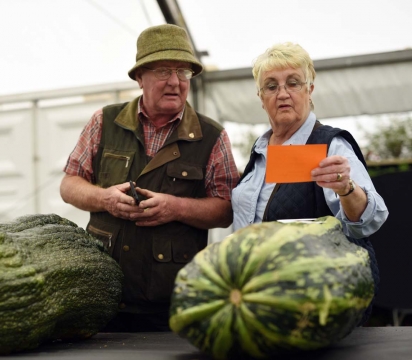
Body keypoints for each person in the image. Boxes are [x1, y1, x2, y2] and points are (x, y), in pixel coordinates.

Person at [60, 24, 239, 331]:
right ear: (140, 77)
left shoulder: (212, 136)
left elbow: (226, 210)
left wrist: (176, 207)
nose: (175, 82)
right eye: (164, 71)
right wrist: (105, 199)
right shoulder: (105, 121)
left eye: (183, 72)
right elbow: (69, 185)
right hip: (100, 296)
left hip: (173, 305)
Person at [232, 42, 389, 324]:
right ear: (260, 96)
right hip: (262, 297)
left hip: (319, 301)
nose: (282, 94)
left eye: (293, 83)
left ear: (309, 89)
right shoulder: (260, 151)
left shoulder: (331, 144)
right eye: (271, 86)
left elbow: (369, 219)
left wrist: (347, 188)